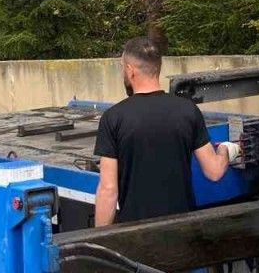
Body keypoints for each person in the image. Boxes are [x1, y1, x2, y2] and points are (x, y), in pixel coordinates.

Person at [93, 37, 241, 225]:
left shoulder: (113, 118)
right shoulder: (188, 111)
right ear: (157, 68)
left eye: (123, 67)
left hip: (135, 234)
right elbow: (214, 171)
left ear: (130, 70)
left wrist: (100, 237)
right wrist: (226, 149)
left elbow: (108, 190)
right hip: (181, 232)